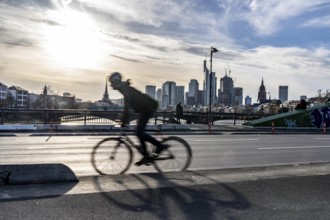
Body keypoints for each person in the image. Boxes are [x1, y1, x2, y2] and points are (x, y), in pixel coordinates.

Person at [109, 72, 165, 166]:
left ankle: (160, 146)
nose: (111, 85)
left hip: (148, 108)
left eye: (112, 82)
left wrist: (124, 120)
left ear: (116, 82)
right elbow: (127, 107)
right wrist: (123, 118)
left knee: (139, 132)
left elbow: (127, 107)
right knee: (139, 132)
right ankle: (146, 156)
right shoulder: (124, 88)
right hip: (144, 109)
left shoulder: (125, 89)